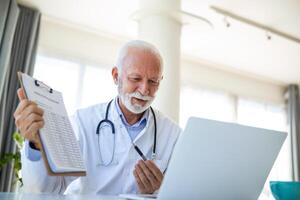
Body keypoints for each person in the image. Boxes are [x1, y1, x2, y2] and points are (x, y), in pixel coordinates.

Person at [14, 40, 181, 195]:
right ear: (116, 76)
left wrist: (159, 191)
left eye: (153, 81)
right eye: (136, 78)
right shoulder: (83, 122)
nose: (145, 90)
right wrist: (36, 144)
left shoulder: (174, 135)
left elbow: (184, 194)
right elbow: (45, 190)